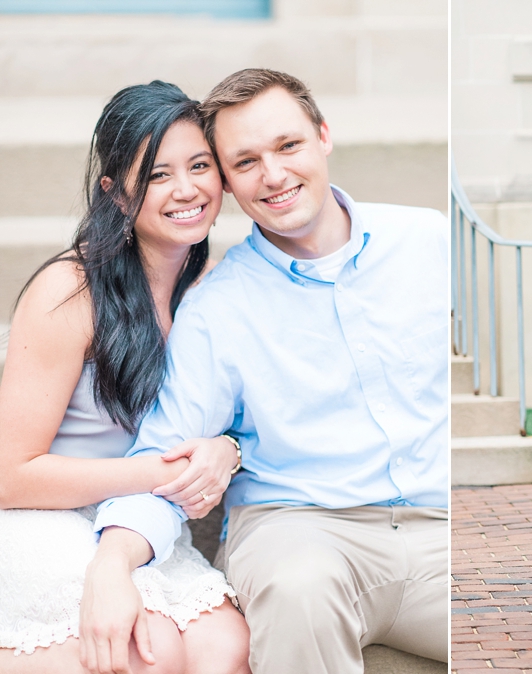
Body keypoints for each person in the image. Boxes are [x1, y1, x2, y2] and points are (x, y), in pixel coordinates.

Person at [82, 68, 449, 673]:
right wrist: (112, 562)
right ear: (227, 182)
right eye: (245, 162)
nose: (274, 176)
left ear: (323, 136)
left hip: (442, 528)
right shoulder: (217, 307)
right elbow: (165, 457)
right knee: (297, 585)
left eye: (288, 146)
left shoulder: (428, 241)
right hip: (300, 529)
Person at [0, 81, 250, 674]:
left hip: (140, 520)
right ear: (115, 193)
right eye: (158, 175)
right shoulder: (72, 290)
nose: (186, 189)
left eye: (199, 166)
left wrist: (226, 450)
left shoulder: (212, 289)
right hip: (42, 518)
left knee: (227, 649)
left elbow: (247, 426)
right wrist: (168, 472)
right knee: (150, 651)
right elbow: (9, 475)